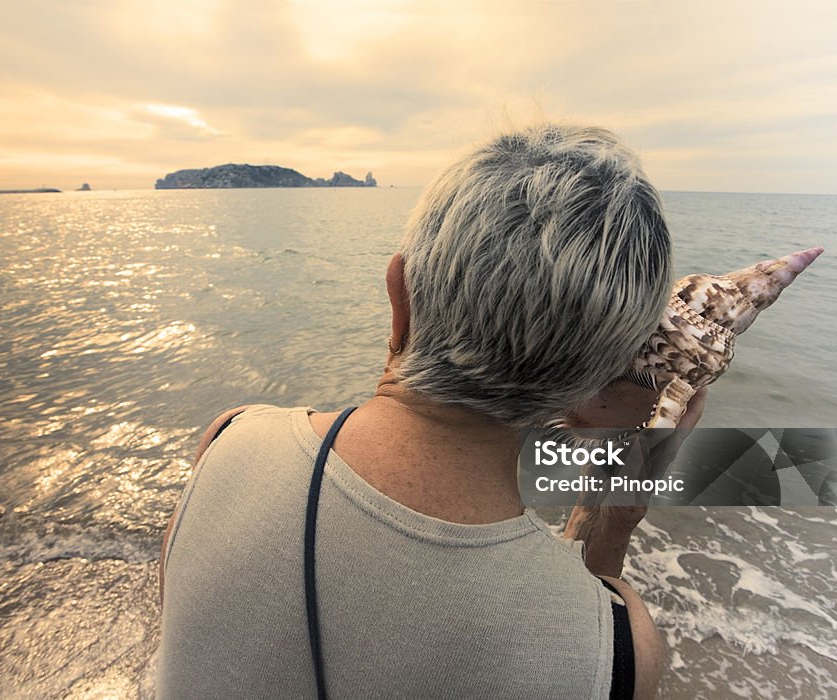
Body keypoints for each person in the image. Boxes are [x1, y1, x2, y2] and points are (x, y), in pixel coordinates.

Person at [157, 123, 707, 699]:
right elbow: (584, 662)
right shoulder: (621, 650)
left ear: (400, 298)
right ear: (595, 402)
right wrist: (610, 515)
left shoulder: (230, 443)